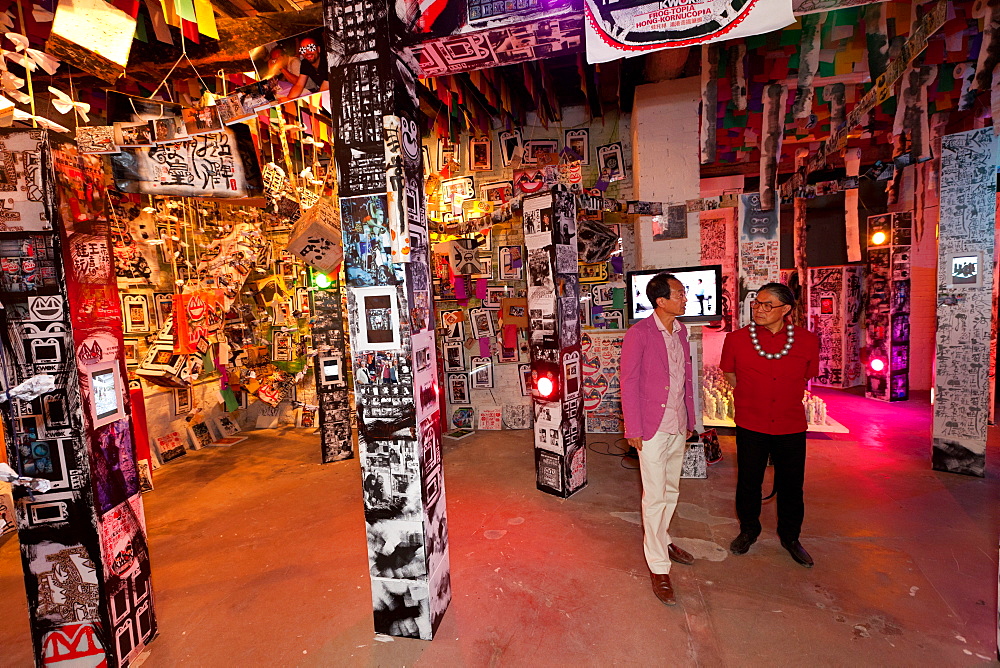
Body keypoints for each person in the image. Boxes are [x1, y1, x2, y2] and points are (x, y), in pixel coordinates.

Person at [720, 282, 820, 567]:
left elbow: (806, 376)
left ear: (785, 309)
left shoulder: (807, 340)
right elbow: (729, 373)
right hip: (752, 422)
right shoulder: (737, 339)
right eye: (756, 303)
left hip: (790, 424)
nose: (759, 309)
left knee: (792, 485)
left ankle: (790, 537)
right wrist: (753, 394)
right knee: (748, 482)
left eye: (767, 305)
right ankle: (748, 530)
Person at [621, 273, 696, 606]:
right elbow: (628, 383)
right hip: (650, 427)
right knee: (653, 497)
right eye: (679, 293)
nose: (685, 297)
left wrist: (691, 419)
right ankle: (658, 565)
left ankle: (661, 539)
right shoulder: (639, 334)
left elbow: (685, 380)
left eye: (684, 292)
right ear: (661, 300)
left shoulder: (681, 333)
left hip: (677, 425)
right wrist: (633, 429)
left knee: (671, 489)